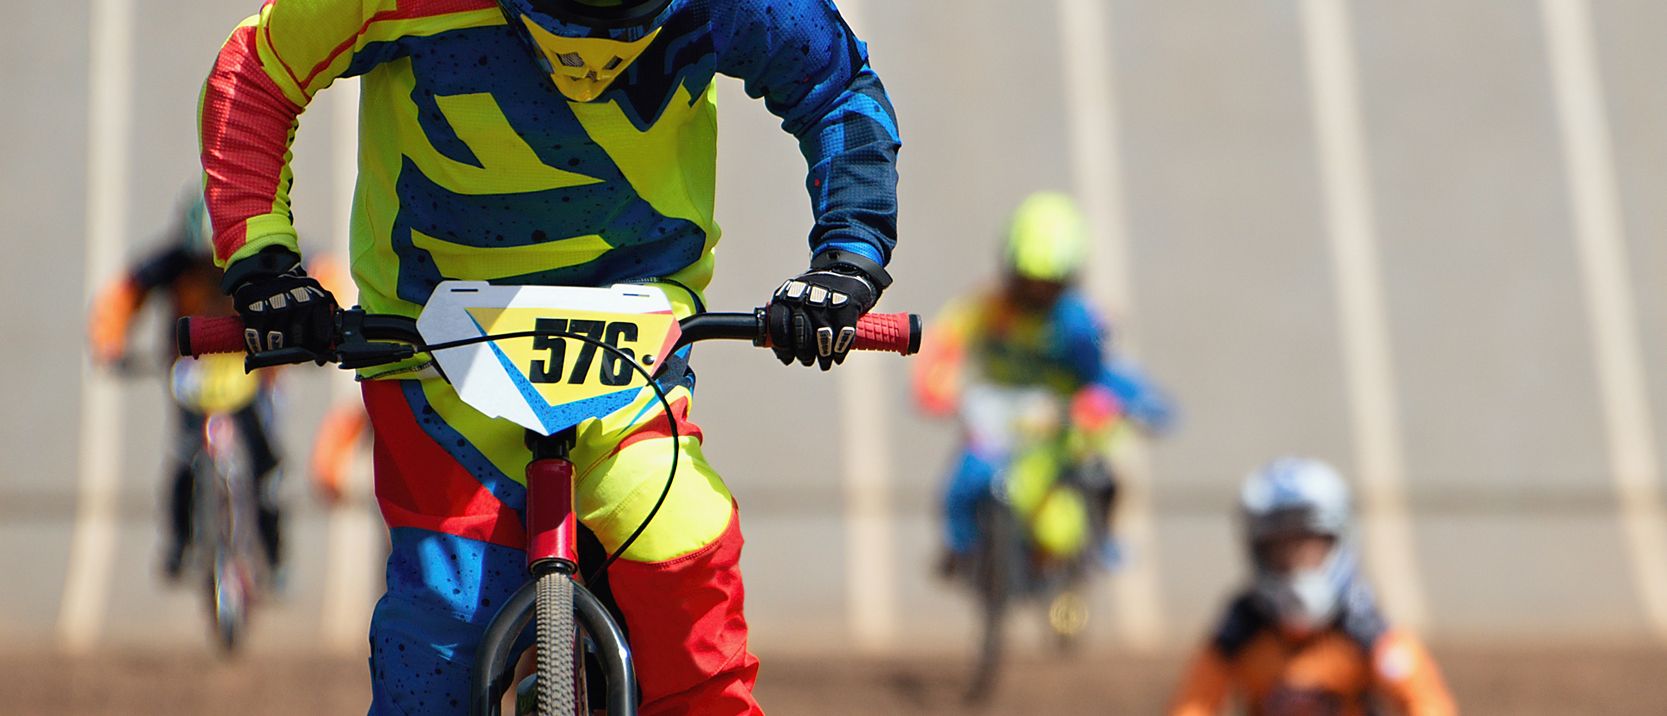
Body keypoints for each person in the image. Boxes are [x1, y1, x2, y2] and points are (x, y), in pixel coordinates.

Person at [198, 0, 901, 711]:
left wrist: (847, 254)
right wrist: (262, 261)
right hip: (435, 346)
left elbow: (835, 87)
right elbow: (258, 72)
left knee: (683, 553)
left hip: (623, 340)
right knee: (441, 633)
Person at [912, 192, 1172, 574]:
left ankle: (1101, 539)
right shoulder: (986, 309)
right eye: (1027, 282)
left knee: (1100, 475)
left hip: (1061, 429)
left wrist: (1139, 400)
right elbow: (944, 342)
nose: (1035, 294)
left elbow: (1107, 371)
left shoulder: (1080, 322)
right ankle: (961, 548)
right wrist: (935, 385)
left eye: (1048, 286)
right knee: (963, 482)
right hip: (1001, 425)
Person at [87, 191, 284, 579]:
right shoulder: (170, 265)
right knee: (183, 454)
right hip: (191, 371)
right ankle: (180, 543)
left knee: (266, 465)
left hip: (250, 368)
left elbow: (319, 275)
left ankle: (275, 556)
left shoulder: (263, 262)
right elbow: (122, 297)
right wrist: (110, 344)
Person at [1169, 458, 1457, 716]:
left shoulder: (1364, 627)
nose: (1295, 565)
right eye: (1280, 551)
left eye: (1306, 549)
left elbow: (1425, 701)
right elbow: (1193, 705)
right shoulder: (1241, 629)